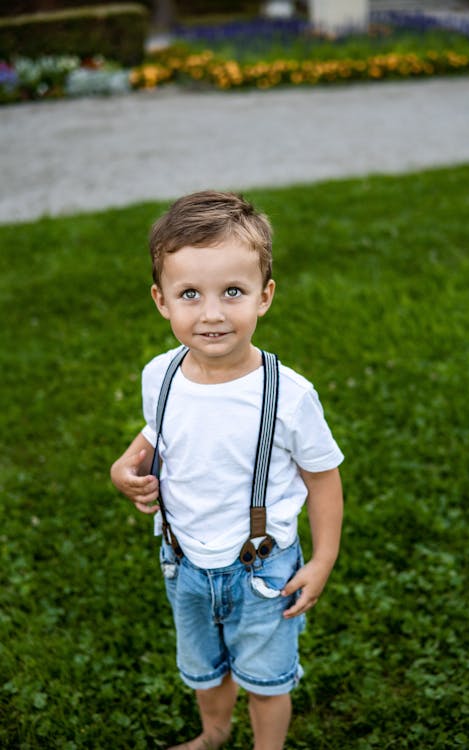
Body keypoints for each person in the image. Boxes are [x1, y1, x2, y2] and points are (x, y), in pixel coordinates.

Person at [110, 191, 344, 750]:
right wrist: (127, 461)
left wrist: (324, 557)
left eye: (232, 292)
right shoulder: (159, 374)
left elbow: (322, 476)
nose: (211, 313)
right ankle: (213, 734)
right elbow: (160, 428)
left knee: (266, 680)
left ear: (264, 297)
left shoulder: (288, 395)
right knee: (203, 670)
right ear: (161, 300)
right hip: (183, 560)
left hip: (261, 571)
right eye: (190, 294)